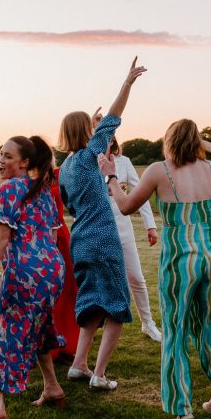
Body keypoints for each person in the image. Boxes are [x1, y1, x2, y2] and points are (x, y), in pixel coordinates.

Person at [101, 119, 211, 419]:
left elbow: (127, 206)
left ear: (169, 141)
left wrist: (112, 177)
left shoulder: (160, 170)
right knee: (205, 324)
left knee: (175, 330)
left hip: (180, 260)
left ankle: (183, 414)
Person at [57, 58, 147, 391]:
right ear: (86, 132)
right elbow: (113, 119)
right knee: (117, 308)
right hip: (103, 238)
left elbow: (68, 205)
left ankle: (79, 365)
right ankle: (99, 374)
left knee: (92, 303)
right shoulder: (90, 154)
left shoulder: (65, 166)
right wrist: (127, 84)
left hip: (80, 239)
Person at [0, 136, 66, 419]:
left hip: (25, 272)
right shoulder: (43, 192)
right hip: (52, 270)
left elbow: (1, 239)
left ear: (25, 163)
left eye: (8, 156)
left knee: (3, 332)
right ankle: (52, 388)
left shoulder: (9, 189)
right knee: (39, 325)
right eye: (0, 154)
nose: (1, 160)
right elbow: (47, 236)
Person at [107, 137, 162, 342]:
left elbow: (141, 193)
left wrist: (150, 225)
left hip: (123, 229)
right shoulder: (87, 161)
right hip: (96, 230)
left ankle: (148, 323)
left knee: (137, 278)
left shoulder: (124, 162)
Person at [48, 167, 79, 363]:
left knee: (69, 290)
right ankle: (47, 345)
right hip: (40, 236)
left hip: (61, 236)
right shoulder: (25, 180)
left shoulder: (59, 174)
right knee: (49, 294)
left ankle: (67, 343)